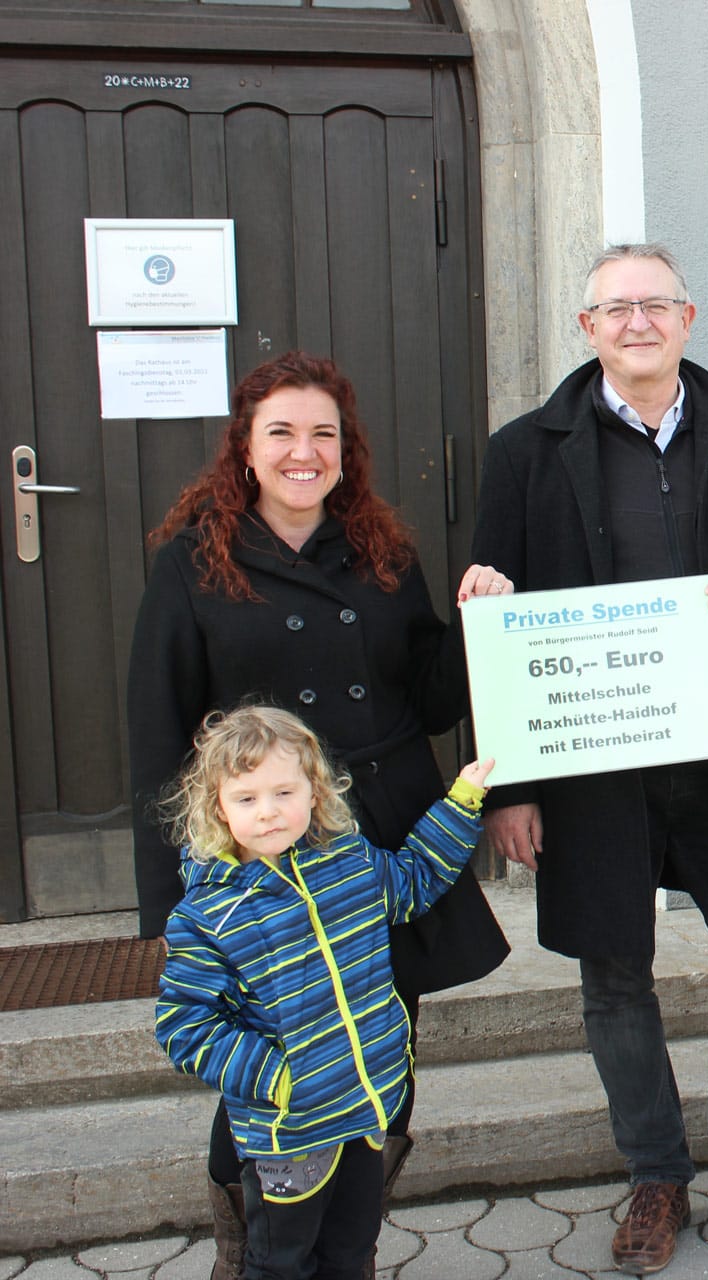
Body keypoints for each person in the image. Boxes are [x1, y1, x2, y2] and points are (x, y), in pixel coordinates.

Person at [470, 243, 708, 1272]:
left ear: (687, 319)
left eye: (657, 305)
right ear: (587, 328)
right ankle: (654, 1174)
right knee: (613, 976)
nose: (638, 321)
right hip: (595, 769)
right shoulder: (523, 453)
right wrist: (508, 786)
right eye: (615, 307)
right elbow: (491, 619)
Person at [128, 351, 512, 1279]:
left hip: (376, 831)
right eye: (282, 433)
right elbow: (157, 730)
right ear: (246, 450)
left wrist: (477, 626)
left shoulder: (384, 550)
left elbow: (428, 698)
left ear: (347, 451)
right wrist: (174, 894)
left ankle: (351, 1250)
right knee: (262, 1058)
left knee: (385, 1046)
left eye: (324, 435)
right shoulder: (193, 565)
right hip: (257, 855)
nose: (306, 452)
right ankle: (252, 1253)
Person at [155, 705, 493, 1280]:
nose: (268, 812)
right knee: (280, 1262)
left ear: (315, 791)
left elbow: (413, 881)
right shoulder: (208, 913)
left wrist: (462, 801)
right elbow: (186, 1026)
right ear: (217, 807)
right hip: (291, 1136)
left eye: (284, 791)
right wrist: (282, 1080)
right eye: (246, 798)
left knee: (350, 1251)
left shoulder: (348, 861)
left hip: (367, 1111)